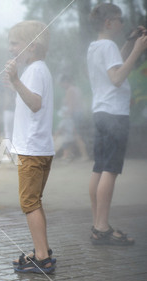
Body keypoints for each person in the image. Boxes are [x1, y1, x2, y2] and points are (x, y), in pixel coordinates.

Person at [87, 3, 147, 245]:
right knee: (110, 170)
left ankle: (97, 223)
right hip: (114, 115)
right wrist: (138, 50)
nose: (122, 24)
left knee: (99, 169)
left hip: (101, 112)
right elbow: (117, 77)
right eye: (119, 20)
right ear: (108, 23)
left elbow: (115, 64)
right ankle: (102, 228)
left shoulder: (95, 46)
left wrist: (131, 43)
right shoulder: (108, 46)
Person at [5, 20, 56, 274]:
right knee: (35, 201)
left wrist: (15, 81)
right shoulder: (38, 69)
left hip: (32, 150)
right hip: (40, 147)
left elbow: (35, 103)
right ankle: (42, 250)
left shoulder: (34, 70)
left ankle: (42, 257)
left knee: (29, 203)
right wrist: (16, 83)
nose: (11, 48)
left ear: (32, 46)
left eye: (15, 43)